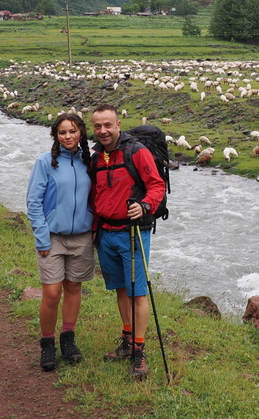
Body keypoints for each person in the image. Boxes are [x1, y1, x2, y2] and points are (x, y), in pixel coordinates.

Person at [90, 103, 165, 380]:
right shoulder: (96, 157)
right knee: (121, 288)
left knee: (138, 293)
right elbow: (95, 195)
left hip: (133, 233)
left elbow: (157, 185)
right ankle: (127, 339)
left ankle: (139, 351)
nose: (103, 131)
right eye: (98, 126)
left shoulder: (137, 151)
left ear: (118, 125)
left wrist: (145, 206)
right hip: (106, 234)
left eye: (108, 125)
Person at [26, 113, 94, 371]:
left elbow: (94, 197)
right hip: (52, 237)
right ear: (56, 135)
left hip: (81, 237)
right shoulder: (45, 162)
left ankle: (68, 340)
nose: (68, 136)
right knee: (52, 293)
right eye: (62, 132)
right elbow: (33, 202)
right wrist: (41, 236)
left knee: (74, 287)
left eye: (73, 131)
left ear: (81, 134)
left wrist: (92, 223)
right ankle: (47, 344)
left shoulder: (88, 161)